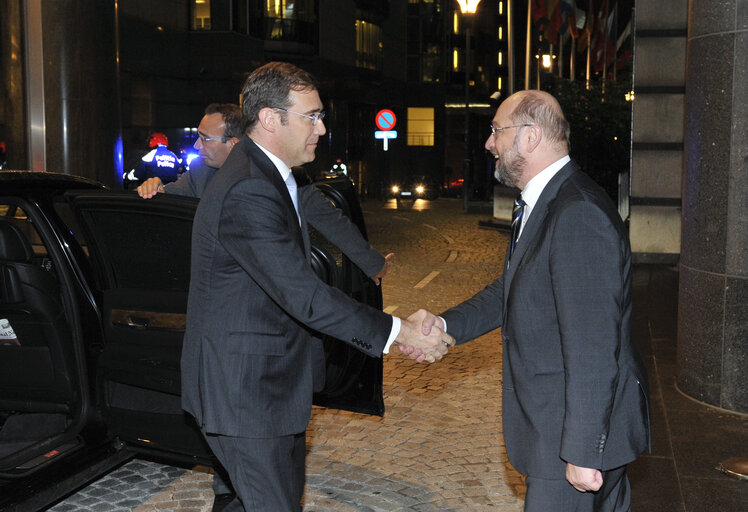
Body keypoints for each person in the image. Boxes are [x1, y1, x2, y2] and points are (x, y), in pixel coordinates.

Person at [180, 61, 452, 512]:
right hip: (245, 395)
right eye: (312, 116)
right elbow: (302, 294)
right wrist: (399, 332)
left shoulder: (271, 176)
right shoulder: (248, 187)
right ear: (270, 119)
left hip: (269, 390)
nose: (322, 128)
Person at [412, 90, 650, 511]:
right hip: (556, 431)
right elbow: (512, 287)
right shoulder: (549, 201)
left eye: (496, 131)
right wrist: (445, 325)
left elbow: (594, 344)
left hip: (570, 443)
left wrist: (580, 451)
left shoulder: (576, 212)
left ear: (530, 137)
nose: (489, 144)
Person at [136, 103, 244, 199]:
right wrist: (157, 190)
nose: (196, 146)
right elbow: (172, 194)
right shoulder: (200, 170)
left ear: (233, 144)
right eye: (199, 137)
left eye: (205, 139)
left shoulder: (256, 179)